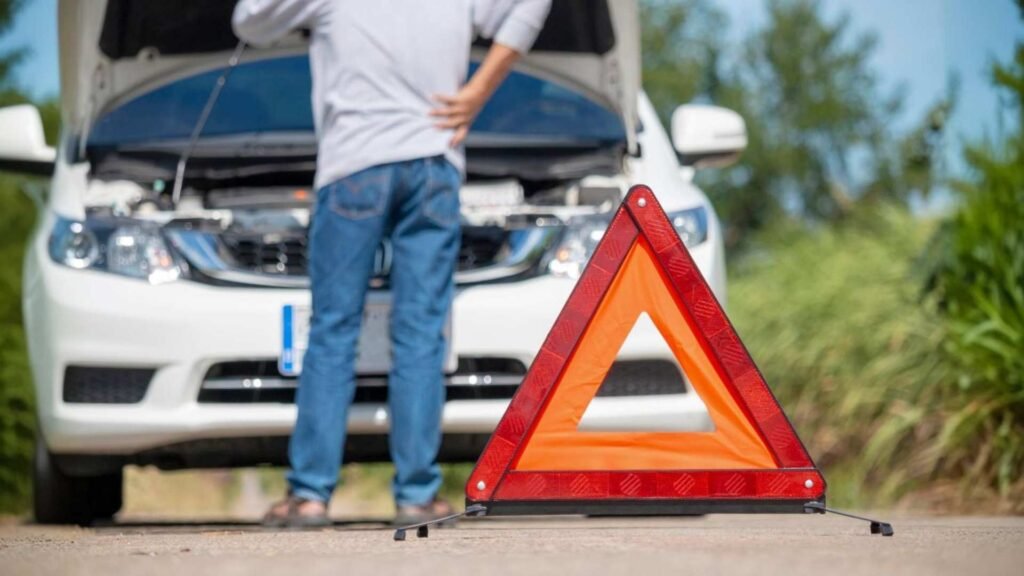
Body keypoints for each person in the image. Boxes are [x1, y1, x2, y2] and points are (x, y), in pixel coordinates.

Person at [231, 0, 552, 527]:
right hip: (434, 167)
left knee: (334, 329)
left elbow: (249, 19)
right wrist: (478, 92)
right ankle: (417, 498)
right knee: (421, 334)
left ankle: (310, 497)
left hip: (355, 166)